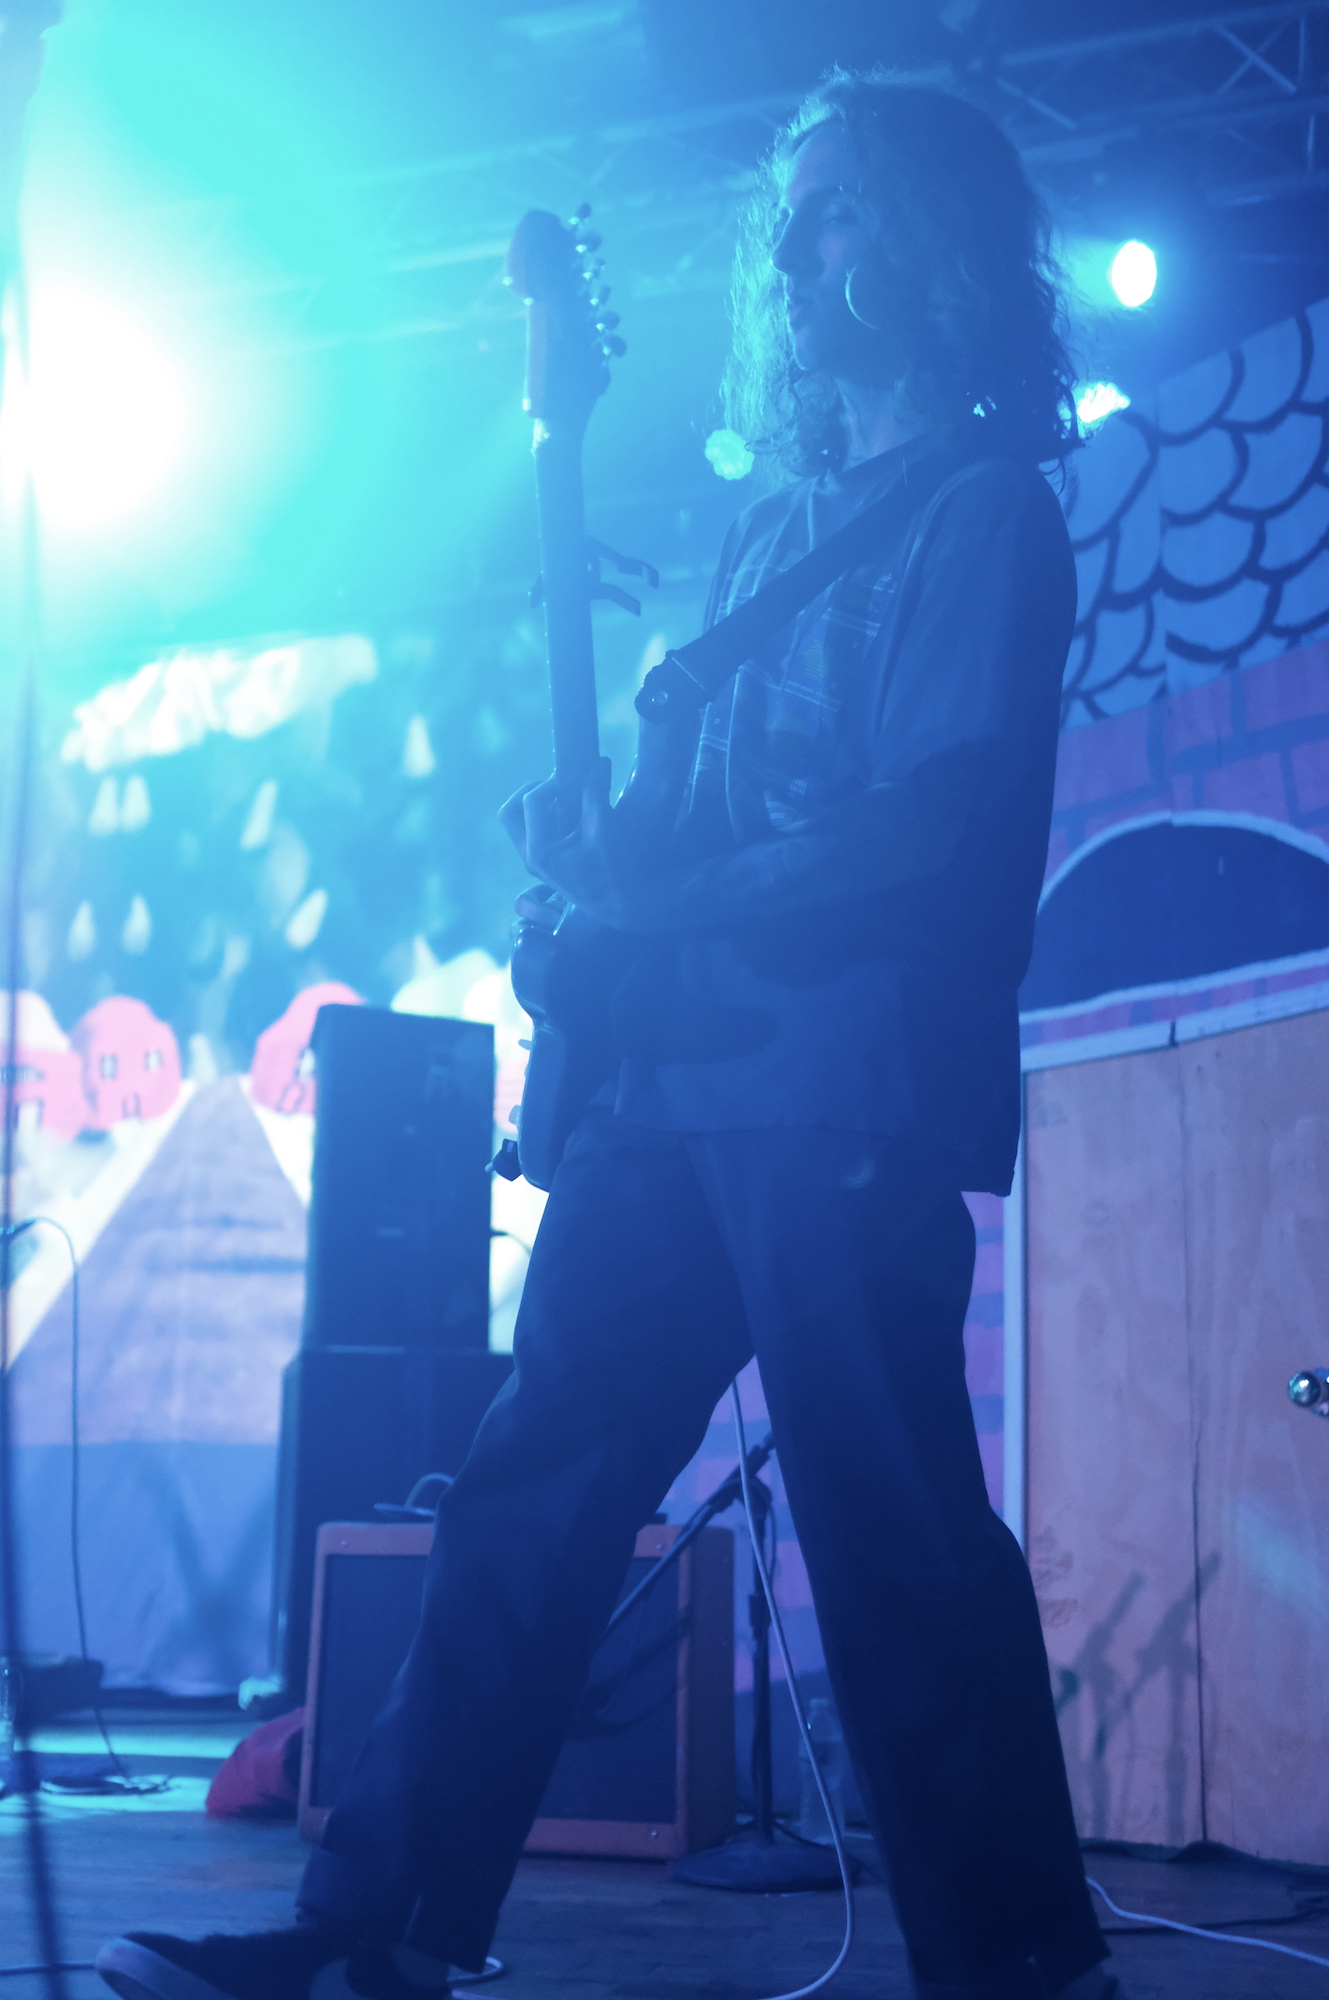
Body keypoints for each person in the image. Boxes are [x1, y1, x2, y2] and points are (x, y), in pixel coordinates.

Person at [97, 71, 1123, 2000]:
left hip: (836, 1094)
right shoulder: (761, 543)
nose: (802, 251)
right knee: (524, 1501)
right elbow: (679, 841)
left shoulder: (984, 512)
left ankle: (1023, 1972)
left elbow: (927, 826)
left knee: (892, 1538)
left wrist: (655, 905)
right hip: (670, 1091)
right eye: (790, 218)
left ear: (934, 242)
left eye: (842, 208)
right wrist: (584, 887)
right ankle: (370, 1936)